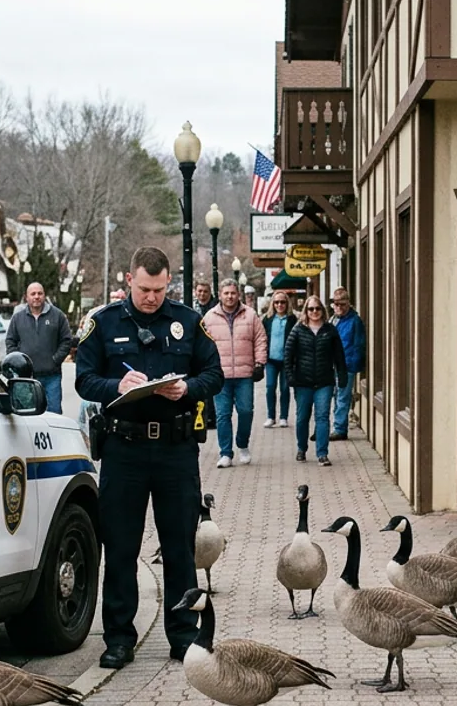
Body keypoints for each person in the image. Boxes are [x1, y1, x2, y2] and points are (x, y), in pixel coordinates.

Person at [74, 246, 223, 668]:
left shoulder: (187, 322)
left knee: (179, 546)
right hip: (125, 450)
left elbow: (214, 374)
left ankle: (182, 635)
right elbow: (84, 379)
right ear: (129, 280)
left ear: (168, 283)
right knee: (121, 547)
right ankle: (119, 638)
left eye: (159, 289)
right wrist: (117, 387)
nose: (152, 297)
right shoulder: (103, 323)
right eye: (144, 289)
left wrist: (188, 389)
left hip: (176, 450)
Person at [200, 280, 266, 468]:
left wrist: (260, 362)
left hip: (245, 374)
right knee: (222, 414)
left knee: (246, 411)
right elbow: (203, 345)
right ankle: (226, 452)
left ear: (238, 295)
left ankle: (242, 444)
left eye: (233, 293)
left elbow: (260, 339)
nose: (230, 296)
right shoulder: (210, 317)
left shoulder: (250, 315)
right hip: (220, 376)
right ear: (220, 295)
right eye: (226, 293)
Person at [284, 293, 346, 466]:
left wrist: (342, 377)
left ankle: (322, 453)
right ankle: (301, 448)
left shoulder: (330, 330)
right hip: (302, 383)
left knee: (323, 417)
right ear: (306, 310)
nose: (314, 312)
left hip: (324, 382)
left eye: (317, 308)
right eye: (311, 309)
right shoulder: (297, 330)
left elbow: (339, 356)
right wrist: (290, 377)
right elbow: (288, 356)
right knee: (302, 417)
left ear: (322, 310)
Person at [5, 282, 75, 414]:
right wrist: (18, 362)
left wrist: (55, 360)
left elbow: (66, 341)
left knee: (54, 412)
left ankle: (54, 435)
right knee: (26, 412)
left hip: (51, 376)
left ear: (44, 296)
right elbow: (10, 341)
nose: (36, 297)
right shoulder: (18, 318)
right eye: (33, 294)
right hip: (26, 378)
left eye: (40, 293)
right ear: (27, 297)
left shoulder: (58, 316)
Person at [328, 286, 365, 440]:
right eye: (336, 304)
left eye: (342, 304)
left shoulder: (355, 321)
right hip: (333, 364)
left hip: (347, 364)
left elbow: (358, 345)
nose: (339, 307)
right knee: (336, 395)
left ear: (348, 303)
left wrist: (353, 365)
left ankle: (339, 428)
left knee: (342, 396)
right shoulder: (333, 320)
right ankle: (339, 425)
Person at [261, 291, 297, 428]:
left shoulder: (292, 319)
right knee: (270, 387)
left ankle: (283, 417)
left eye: (282, 302)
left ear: (287, 303)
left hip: (287, 360)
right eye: (277, 302)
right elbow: (262, 338)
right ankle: (271, 416)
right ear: (273, 304)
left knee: (285, 388)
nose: (280, 305)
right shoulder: (268, 319)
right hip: (271, 360)